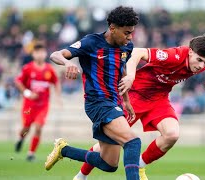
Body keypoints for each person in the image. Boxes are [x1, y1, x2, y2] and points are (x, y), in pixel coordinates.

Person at [75, 34, 205, 180]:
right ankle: (81, 176)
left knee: (172, 134)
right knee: (109, 143)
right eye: (199, 60)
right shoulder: (173, 56)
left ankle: (139, 165)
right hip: (136, 95)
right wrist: (131, 76)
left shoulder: (204, 59)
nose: (201, 65)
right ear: (190, 51)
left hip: (159, 99)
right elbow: (138, 52)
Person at [44, 6, 142, 180]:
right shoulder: (91, 42)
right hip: (98, 103)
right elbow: (56, 54)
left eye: (131, 32)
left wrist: (126, 100)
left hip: (115, 103)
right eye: (127, 33)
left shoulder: (127, 47)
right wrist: (68, 64)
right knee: (133, 142)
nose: (130, 37)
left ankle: (64, 150)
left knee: (108, 164)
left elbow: (121, 72)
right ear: (112, 28)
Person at [14, 42, 61, 161]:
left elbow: (56, 82)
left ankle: (31, 153)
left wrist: (58, 97)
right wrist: (28, 93)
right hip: (29, 106)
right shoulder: (28, 68)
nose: (40, 55)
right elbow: (18, 82)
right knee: (26, 127)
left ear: (45, 54)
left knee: (39, 127)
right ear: (33, 54)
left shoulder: (49, 69)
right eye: (37, 52)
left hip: (43, 105)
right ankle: (21, 139)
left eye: (42, 52)